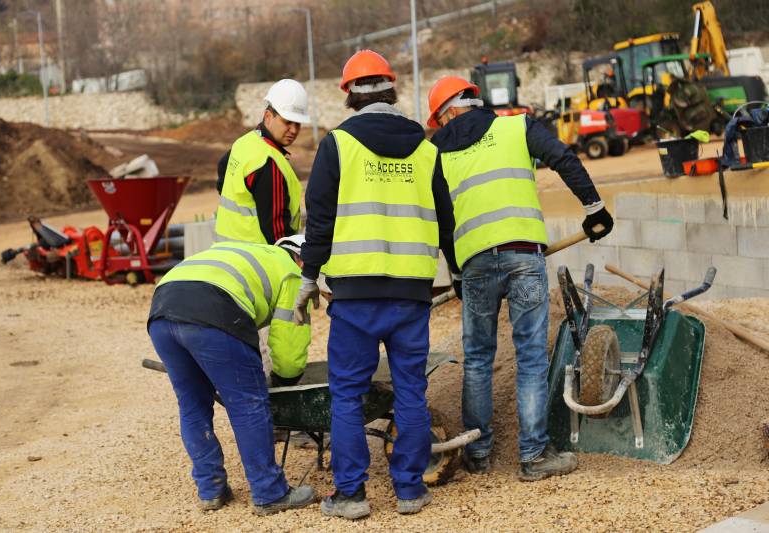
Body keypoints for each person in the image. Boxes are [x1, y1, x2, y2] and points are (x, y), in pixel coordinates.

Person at [293, 50, 459, 519]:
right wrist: (458, 272)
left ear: (349, 95)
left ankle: (351, 496)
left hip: (355, 294)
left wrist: (309, 275)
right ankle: (409, 491)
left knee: (347, 394)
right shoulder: (427, 149)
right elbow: (446, 221)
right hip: (411, 293)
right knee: (410, 391)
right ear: (392, 90)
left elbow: (319, 219)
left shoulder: (338, 145)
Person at [426, 76, 614, 481]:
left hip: (475, 262)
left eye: (440, 121)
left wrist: (456, 270)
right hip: (524, 255)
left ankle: (478, 453)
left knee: (476, 359)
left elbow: (443, 221)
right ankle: (533, 456)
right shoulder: (517, 126)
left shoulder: (434, 151)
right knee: (530, 357)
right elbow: (563, 157)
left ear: (450, 112)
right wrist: (594, 207)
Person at [147, 235, 315, 515]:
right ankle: (269, 492)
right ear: (302, 258)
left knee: (192, 405)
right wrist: (284, 384)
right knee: (248, 404)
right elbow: (288, 347)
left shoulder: (246, 251)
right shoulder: (292, 273)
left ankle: (211, 489)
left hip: (162, 311)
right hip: (214, 311)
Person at [215, 79, 309, 244]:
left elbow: (223, 170)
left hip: (227, 252)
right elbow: (278, 234)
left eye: (298, 124)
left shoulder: (244, 143)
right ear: (268, 116)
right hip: (257, 261)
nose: (293, 130)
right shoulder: (268, 162)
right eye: (287, 122)